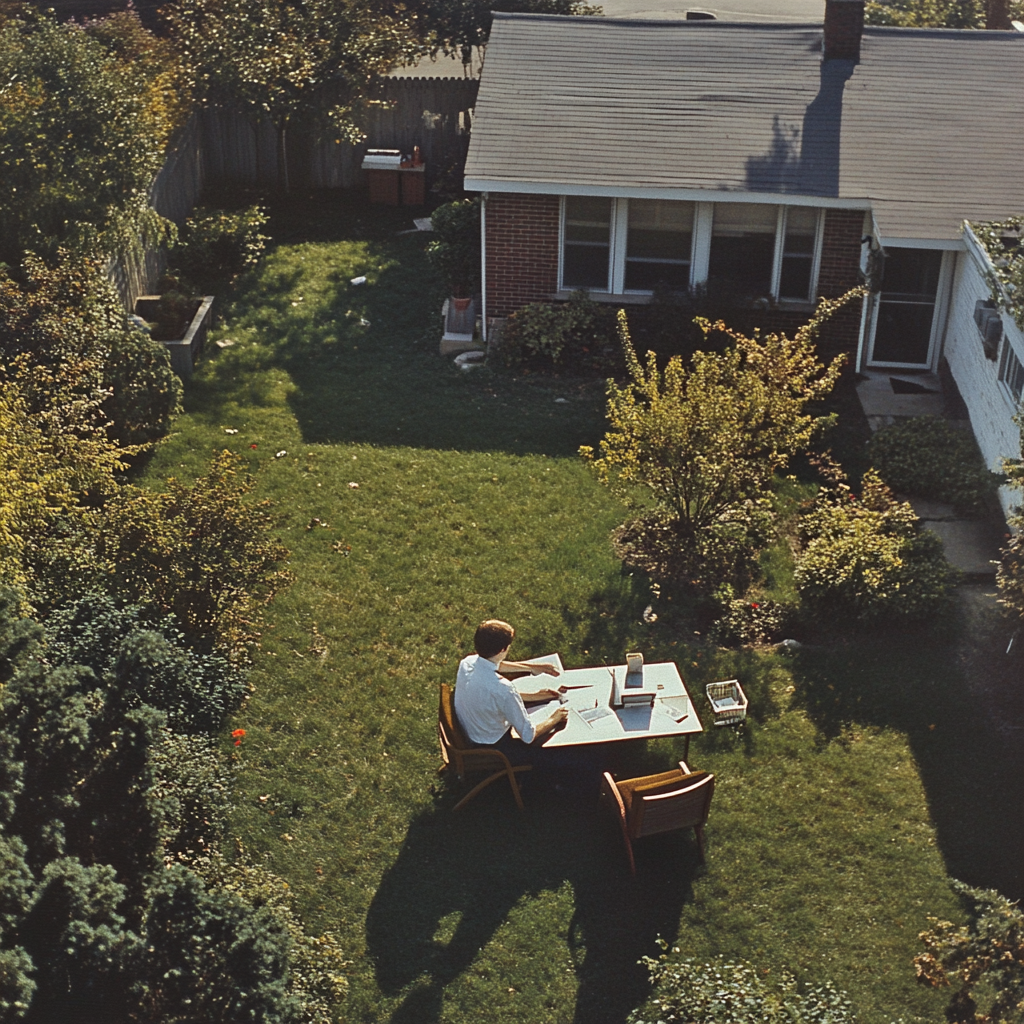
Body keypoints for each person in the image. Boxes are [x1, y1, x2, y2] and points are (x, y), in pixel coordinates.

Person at [454, 619, 567, 762]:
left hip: (471, 727)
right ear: (503, 650)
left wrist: (530, 668)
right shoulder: (503, 689)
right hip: (493, 745)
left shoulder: (467, 663)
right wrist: (555, 718)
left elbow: (495, 665)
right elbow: (528, 735)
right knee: (558, 751)